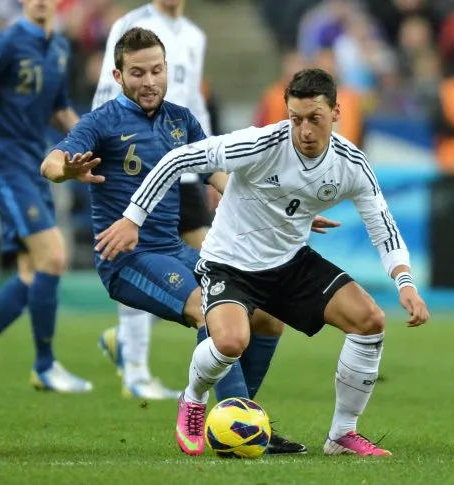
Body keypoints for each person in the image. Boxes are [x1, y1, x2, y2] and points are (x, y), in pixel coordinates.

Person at [97, 68, 431, 456]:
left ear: (336, 113)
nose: (304, 130)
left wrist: (404, 282)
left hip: (289, 263)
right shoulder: (259, 144)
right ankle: (192, 400)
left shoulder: (351, 164)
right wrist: (132, 218)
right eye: (296, 118)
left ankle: (341, 434)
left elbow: (383, 226)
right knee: (230, 342)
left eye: (315, 119)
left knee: (370, 321)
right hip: (229, 263)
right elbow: (177, 159)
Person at [41, 27, 310, 454]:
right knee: (211, 310)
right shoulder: (101, 122)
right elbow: (52, 162)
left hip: (174, 250)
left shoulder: (181, 120)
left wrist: (283, 208)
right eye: (137, 73)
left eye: (156, 70)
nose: (148, 82)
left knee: (266, 317)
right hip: (127, 258)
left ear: (167, 70)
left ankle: (241, 419)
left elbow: (220, 175)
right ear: (118, 75)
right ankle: (233, 422)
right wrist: (66, 170)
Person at [0, 0, 92, 395]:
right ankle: (44, 365)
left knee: (32, 273)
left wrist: (92, 143)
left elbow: (59, 110)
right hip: (4, 165)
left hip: (35, 164)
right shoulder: (5, 43)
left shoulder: (58, 47)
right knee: (54, 255)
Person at [91, 0, 221, 401]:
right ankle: (135, 366)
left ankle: (133, 344)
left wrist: (211, 164)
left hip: (184, 167)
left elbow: (195, 103)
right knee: (138, 251)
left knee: (212, 271)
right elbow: (104, 94)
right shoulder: (131, 25)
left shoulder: (195, 36)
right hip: (136, 166)